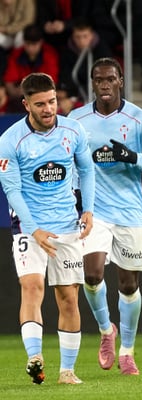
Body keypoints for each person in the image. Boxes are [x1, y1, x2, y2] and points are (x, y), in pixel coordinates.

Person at [67, 57, 142, 375]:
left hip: (130, 211)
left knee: (128, 284)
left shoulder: (139, 119)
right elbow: (67, 162)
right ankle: (106, 330)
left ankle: (127, 351)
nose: (105, 85)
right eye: (99, 80)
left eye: (110, 79)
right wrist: (74, 197)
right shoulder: (76, 119)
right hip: (94, 210)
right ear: (92, 83)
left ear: (121, 81)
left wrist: (132, 157)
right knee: (91, 274)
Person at [0, 72, 95, 384]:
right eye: (40, 104)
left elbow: (86, 170)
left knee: (69, 297)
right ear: (26, 104)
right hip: (30, 227)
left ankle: (67, 371)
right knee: (31, 287)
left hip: (67, 225)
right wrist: (34, 229)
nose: (48, 109)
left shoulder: (73, 130)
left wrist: (88, 209)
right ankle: (35, 357)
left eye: (52, 101)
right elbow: (12, 191)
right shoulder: (10, 141)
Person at [3, 24, 59, 113]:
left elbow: (52, 83)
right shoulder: (16, 55)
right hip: (21, 98)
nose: (30, 48)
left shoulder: (50, 55)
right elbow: (9, 82)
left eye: (34, 44)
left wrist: (30, 90)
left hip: (44, 97)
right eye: (28, 44)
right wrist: (15, 93)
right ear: (24, 42)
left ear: (41, 42)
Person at [59, 17, 112, 106]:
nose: (81, 41)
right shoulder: (67, 51)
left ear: (92, 35)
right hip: (74, 93)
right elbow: (65, 75)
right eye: (77, 37)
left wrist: (74, 96)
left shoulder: (102, 51)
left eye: (85, 36)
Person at [0, 0, 36, 76]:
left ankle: (16, 63)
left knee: (21, 36)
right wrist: (6, 7)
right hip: (6, 35)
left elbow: (28, 22)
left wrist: (7, 29)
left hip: (20, 33)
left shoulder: (27, 2)